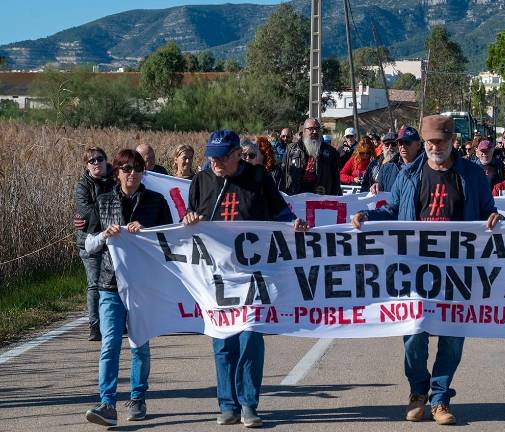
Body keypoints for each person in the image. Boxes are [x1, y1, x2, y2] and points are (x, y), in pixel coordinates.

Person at [351, 115, 504, 425]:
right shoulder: (408, 174)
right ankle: (418, 391)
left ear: (452, 142)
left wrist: (496, 219)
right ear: (424, 142)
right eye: (431, 142)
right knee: (413, 335)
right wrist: (367, 215)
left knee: (452, 337)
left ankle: (440, 398)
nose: (436, 147)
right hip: (415, 269)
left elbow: (489, 211)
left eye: (441, 142)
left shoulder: (472, 175)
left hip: (458, 271)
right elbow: (393, 211)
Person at [184, 130, 307, 428]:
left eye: (221, 156)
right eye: (211, 156)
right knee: (223, 341)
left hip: (254, 273)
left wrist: (293, 225)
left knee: (250, 336)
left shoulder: (258, 178)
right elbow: (190, 217)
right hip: (218, 276)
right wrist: (188, 220)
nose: (215, 162)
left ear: (237, 154)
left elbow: (279, 211)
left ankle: (249, 404)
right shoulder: (201, 181)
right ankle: (227, 404)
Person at [84, 149, 173, 427]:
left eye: (136, 169)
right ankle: (107, 402)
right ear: (117, 173)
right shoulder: (103, 201)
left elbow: (170, 242)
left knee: (139, 344)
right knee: (110, 343)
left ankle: (137, 397)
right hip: (110, 283)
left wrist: (146, 231)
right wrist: (104, 235)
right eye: (125, 169)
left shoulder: (156, 201)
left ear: (143, 172)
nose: (131, 174)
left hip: (142, 285)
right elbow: (88, 245)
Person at [74, 147, 115, 341]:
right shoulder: (82, 186)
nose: (96, 163)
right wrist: (113, 214)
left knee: (117, 281)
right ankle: (95, 325)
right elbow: (87, 212)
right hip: (90, 240)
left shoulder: (117, 179)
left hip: (116, 240)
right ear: (87, 165)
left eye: (100, 159)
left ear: (106, 161)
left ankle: (117, 321)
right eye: (92, 161)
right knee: (94, 283)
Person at [283, 118, 342, 196]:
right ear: (304, 131)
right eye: (311, 129)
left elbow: (336, 179)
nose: (315, 131)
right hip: (295, 196)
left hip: (321, 196)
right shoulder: (291, 149)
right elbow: (284, 173)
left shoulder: (331, 152)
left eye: (317, 129)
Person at [368, 126, 423, 194]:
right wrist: (375, 187)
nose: (403, 146)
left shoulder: (426, 167)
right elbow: (379, 189)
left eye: (407, 142)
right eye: (400, 142)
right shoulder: (385, 168)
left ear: (418, 145)